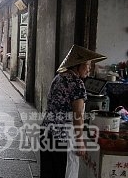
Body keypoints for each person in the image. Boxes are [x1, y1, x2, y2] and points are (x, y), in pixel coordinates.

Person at [40, 44, 107, 178]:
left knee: (48, 172)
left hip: (47, 132)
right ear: (77, 66)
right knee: (64, 172)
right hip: (63, 137)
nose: (89, 69)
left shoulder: (58, 78)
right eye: (87, 65)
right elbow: (77, 115)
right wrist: (80, 141)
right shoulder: (77, 83)